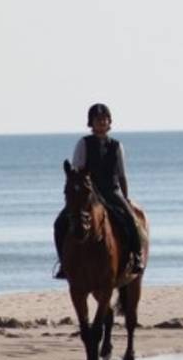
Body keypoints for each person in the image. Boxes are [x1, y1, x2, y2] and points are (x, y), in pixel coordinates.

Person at [53, 103, 144, 278]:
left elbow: (122, 174)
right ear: (91, 123)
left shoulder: (117, 146)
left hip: (111, 190)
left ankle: (137, 257)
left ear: (109, 122)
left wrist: (125, 198)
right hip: (89, 193)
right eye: (97, 120)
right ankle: (64, 264)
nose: (101, 122)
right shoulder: (83, 143)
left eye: (104, 119)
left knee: (131, 220)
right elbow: (76, 171)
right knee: (60, 224)